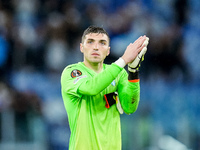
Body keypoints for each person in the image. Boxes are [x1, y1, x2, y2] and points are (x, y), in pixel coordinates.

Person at [61, 25, 148, 150]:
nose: (96, 47)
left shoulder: (119, 74)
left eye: (102, 43)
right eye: (90, 42)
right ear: (81, 47)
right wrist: (123, 60)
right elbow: (91, 88)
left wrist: (133, 71)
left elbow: (130, 107)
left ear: (108, 50)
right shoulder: (72, 72)